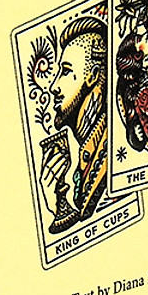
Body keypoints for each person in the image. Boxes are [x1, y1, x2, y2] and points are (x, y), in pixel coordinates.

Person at [38, 15, 108, 231]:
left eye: (66, 71)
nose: (54, 87)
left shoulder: (112, 151)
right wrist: (58, 205)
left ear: (92, 76)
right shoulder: (84, 158)